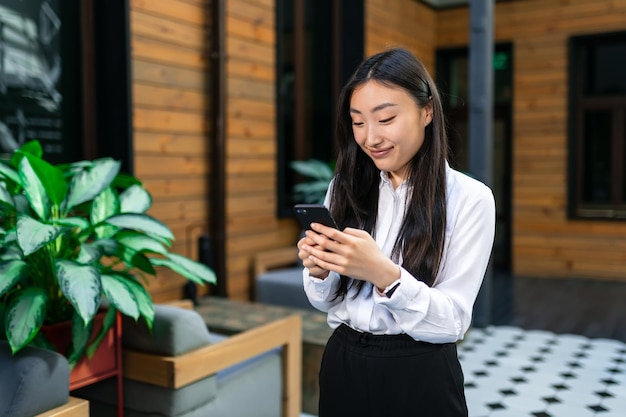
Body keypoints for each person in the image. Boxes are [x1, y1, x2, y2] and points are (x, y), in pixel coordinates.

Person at [296, 47, 495, 416]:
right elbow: (325, 301)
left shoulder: (470, 199)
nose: (370, 138)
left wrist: (383, 273)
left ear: (427, 112)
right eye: (357, 122)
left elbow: (452, 321)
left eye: (385, 118)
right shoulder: (344, 186)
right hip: (343, 362)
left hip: (419, 372)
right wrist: (320, 271)